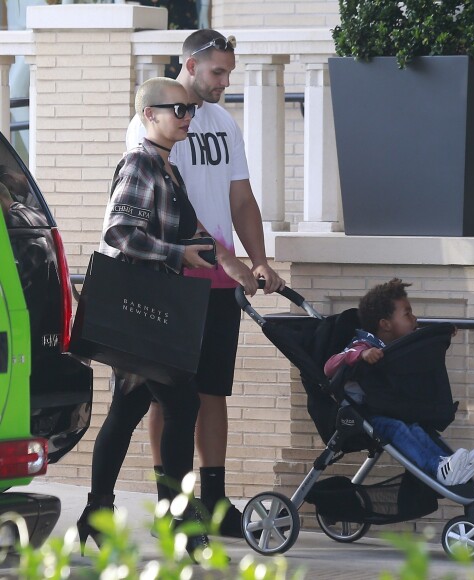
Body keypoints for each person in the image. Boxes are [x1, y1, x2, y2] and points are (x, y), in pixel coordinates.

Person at [126, 29, 285, 537]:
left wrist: (258, 259)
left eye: (229, 73)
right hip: (173, 277)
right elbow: (171, 208)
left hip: (221, 283)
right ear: (188, 65)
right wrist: (222, 256)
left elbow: (241, 198)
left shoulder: (221, 122)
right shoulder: (149, 123)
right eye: (218, 72)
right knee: (167, 396)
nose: (224, 83)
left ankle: (214, 504)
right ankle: (171, 503)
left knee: (214, 391)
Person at [77, 77, 215, 557]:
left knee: (129, 409)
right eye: (177, 109)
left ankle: (98, 513)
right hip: (141, 313)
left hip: (149, 313)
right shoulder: (140, 162)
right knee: (181, 406)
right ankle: (177, 518)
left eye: (190, 111)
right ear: (148, 115)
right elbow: (120, 233)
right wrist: (179, 254)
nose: (187, 117)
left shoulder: (166, 167)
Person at [324, 279, 474, 486]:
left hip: (390, 409)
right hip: (365, 415)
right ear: (385, 324)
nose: (414, 318)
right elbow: (330, 366)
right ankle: (437, 468)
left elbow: (420, 342)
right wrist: (361, 355)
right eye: (407, 314)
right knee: (400, 429)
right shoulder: (363, 344)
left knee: (416, 429)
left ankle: (446, 463)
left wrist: (442, 334)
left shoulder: (396, 346)